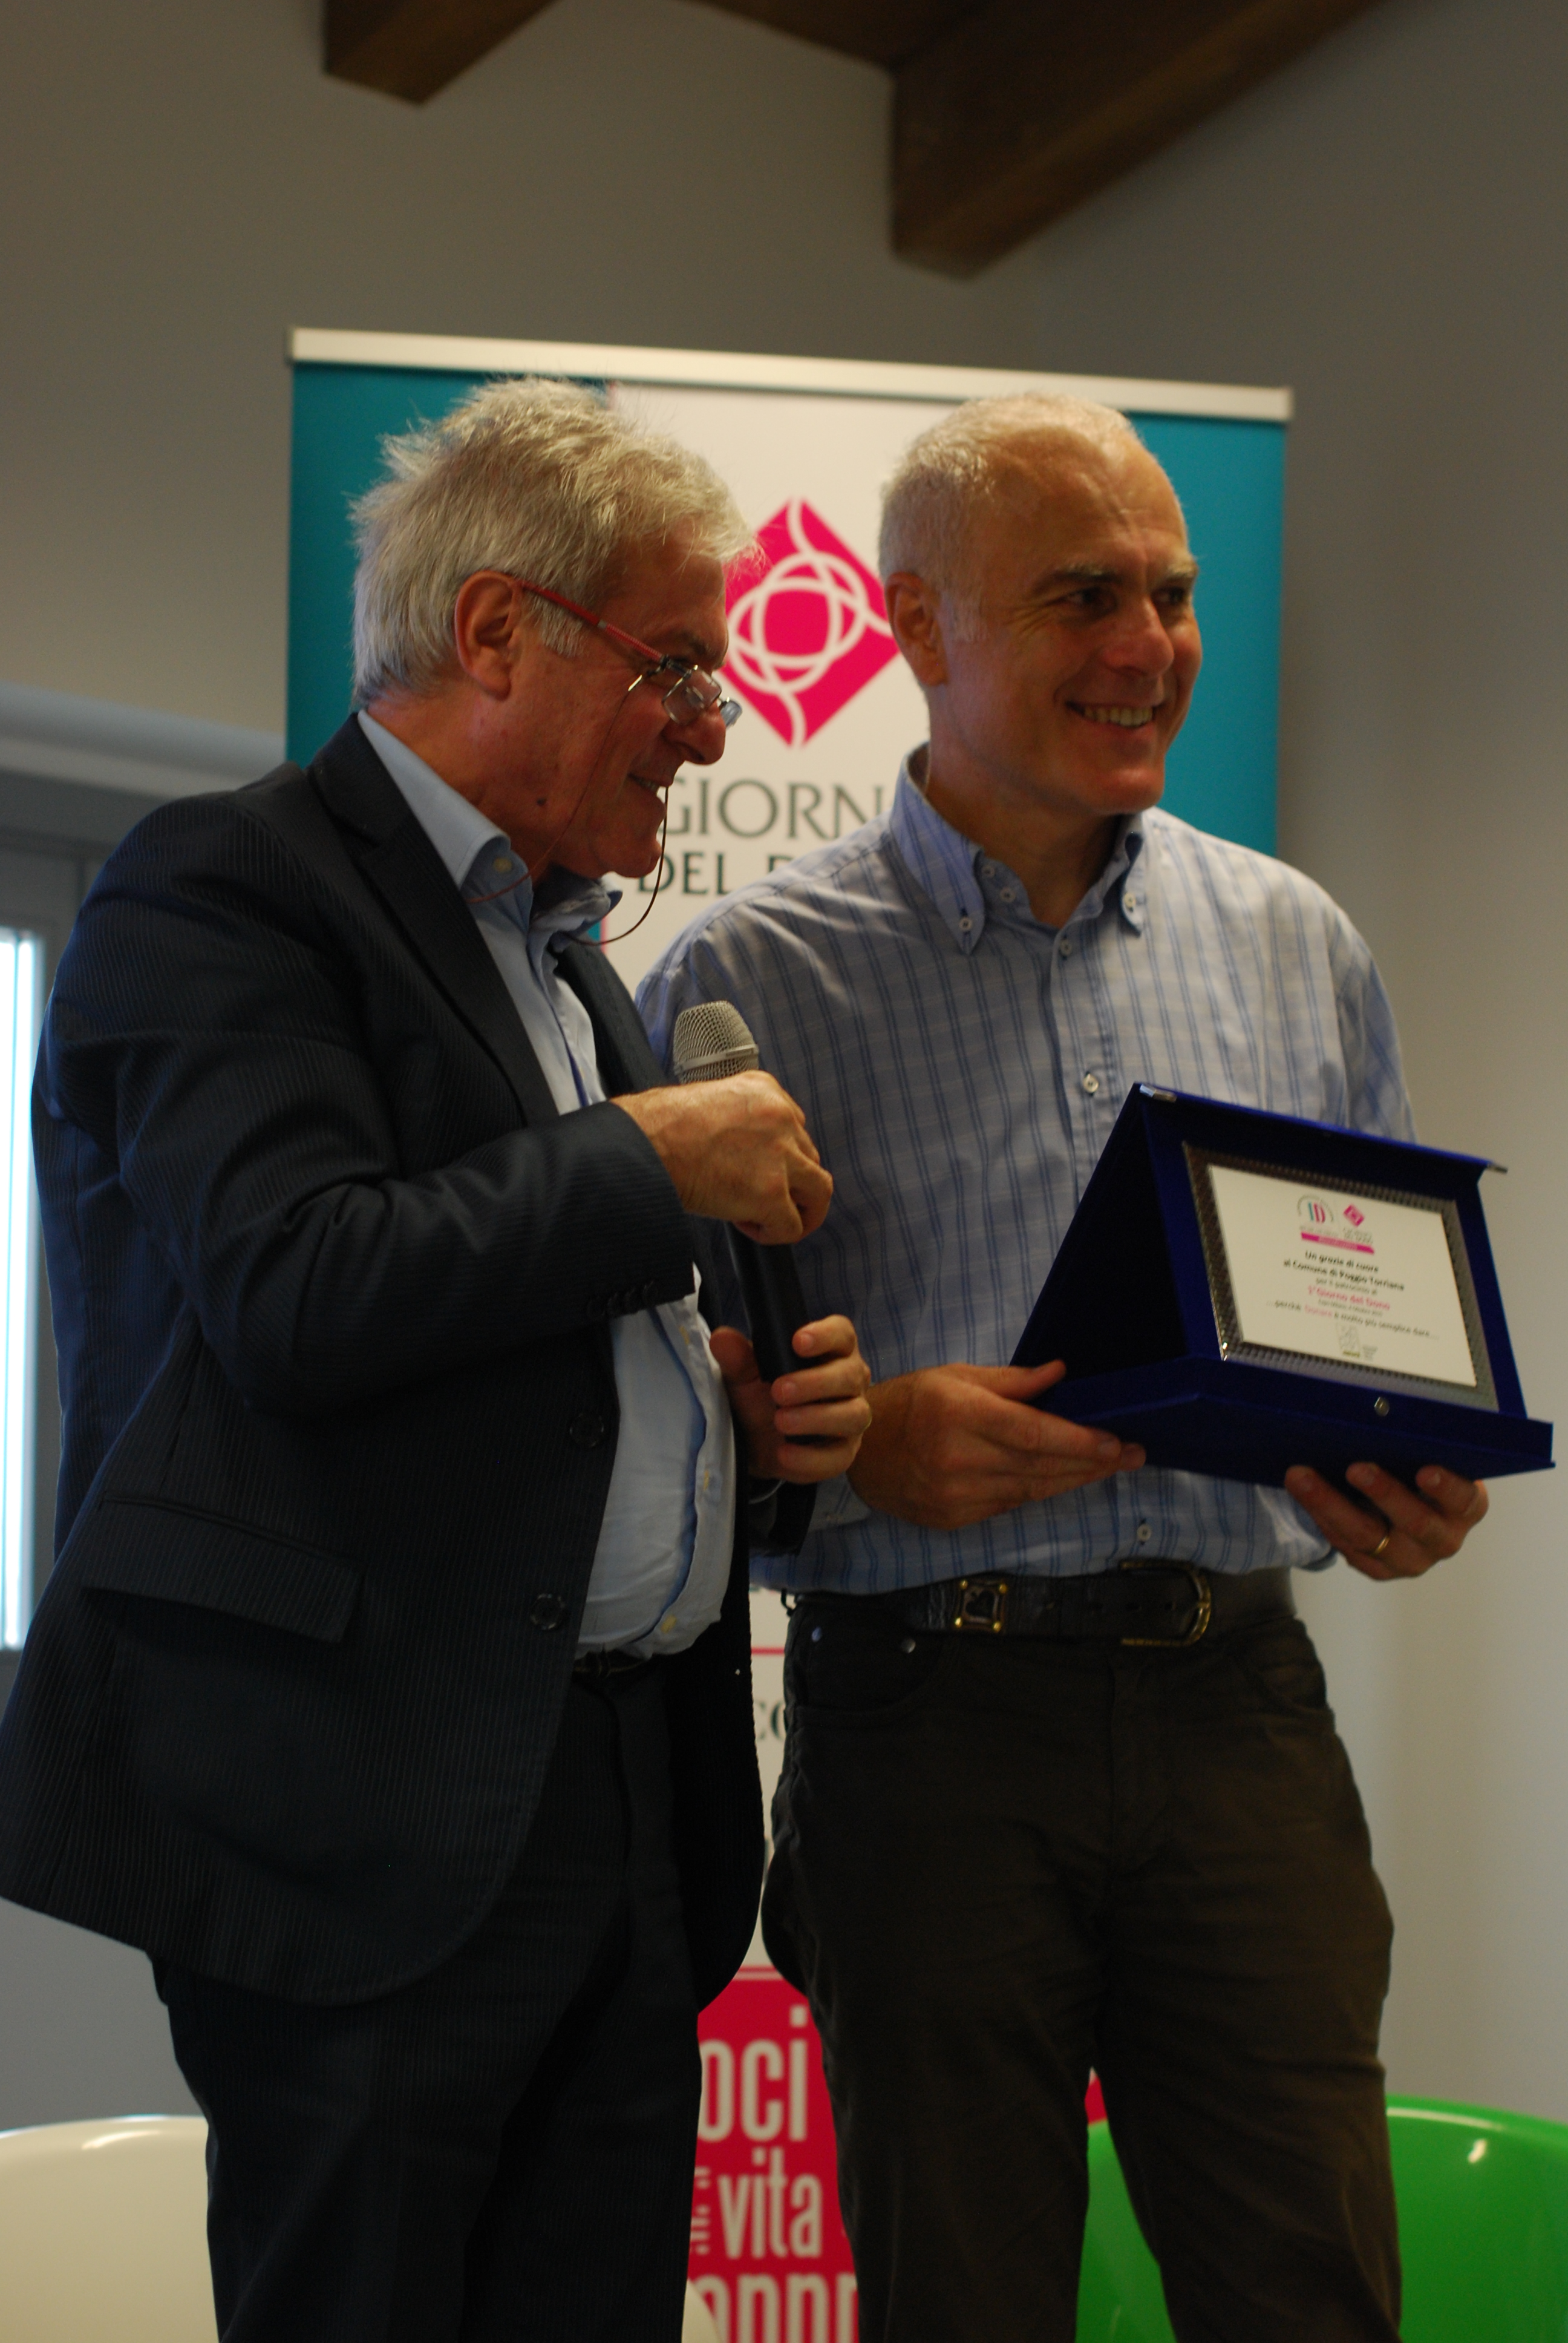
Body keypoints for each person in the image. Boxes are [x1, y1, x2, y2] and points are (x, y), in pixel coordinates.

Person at [0, 378, 871, 2342]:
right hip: (367, 1818)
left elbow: (534, 1369)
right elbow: (297, 1285)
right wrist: (649, 1159)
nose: (713, 725)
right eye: (678, 666)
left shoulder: (570, 960)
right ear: (496, 631)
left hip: (628, 1805)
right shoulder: (226, 887)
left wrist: (740, 1434)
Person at [639, 393, 1489, 2343]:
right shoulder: (742, 985)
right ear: (914, 624)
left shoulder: (1296, 943)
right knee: (965, 2306)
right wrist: (862, 1454)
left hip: (1243, 1713)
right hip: (926, 1730)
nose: (1147, 646)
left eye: (1173, 595)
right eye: (1083, 596)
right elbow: (660, 1431)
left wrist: (1398, 1478)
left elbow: (1376, 1326)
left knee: (1312, 2298)